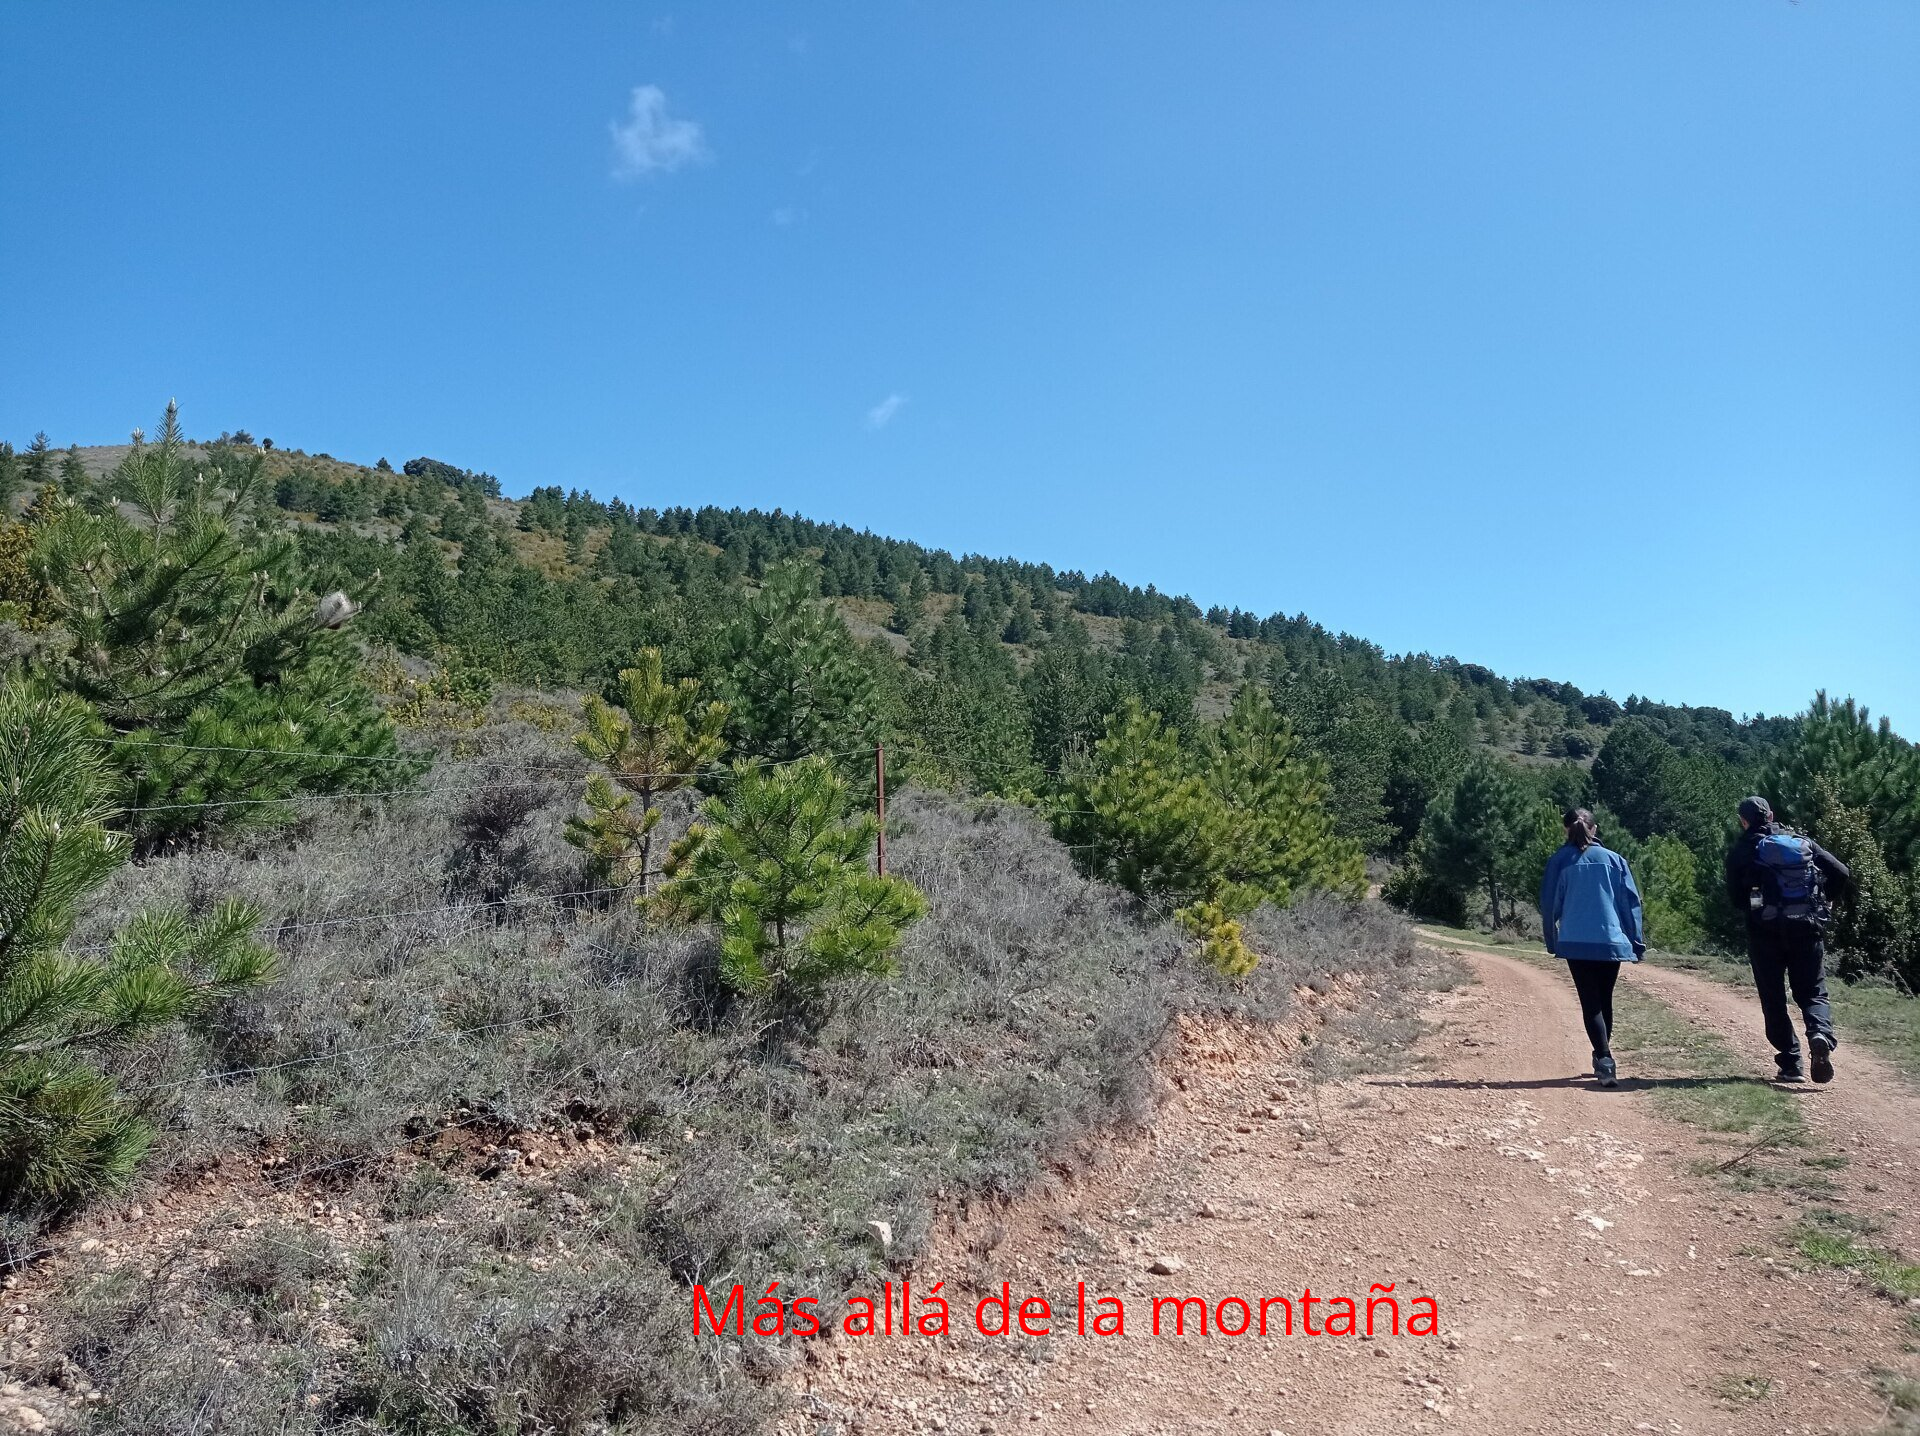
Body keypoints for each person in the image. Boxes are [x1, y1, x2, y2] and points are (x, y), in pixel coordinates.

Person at [1723, 796, 1851, 1084]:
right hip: (1806, 928)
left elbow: (1735, 899)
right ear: (1771, 816)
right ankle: (1819, 1033)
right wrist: (1823, 901)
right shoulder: (1799, 841)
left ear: (1743, 821)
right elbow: (1841, 872)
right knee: (1813, 991)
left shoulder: (1741, 851)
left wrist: (1757, 904)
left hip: (1763, 933)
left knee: (1773, 998)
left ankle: (1791, 1063)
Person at [1541, 808, 1645, 1087]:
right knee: (1604, 999)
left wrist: (1552, 940)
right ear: (1594, 829)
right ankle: (1602, 1057)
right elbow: (1630, 904)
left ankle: (1605, 1058)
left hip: (1575, 942)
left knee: (1590, 1001)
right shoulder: (1615, 860)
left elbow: (1551, 905)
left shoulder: (1559, 861)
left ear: (1567, 830)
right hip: (1611, 942)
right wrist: (1636, 942)